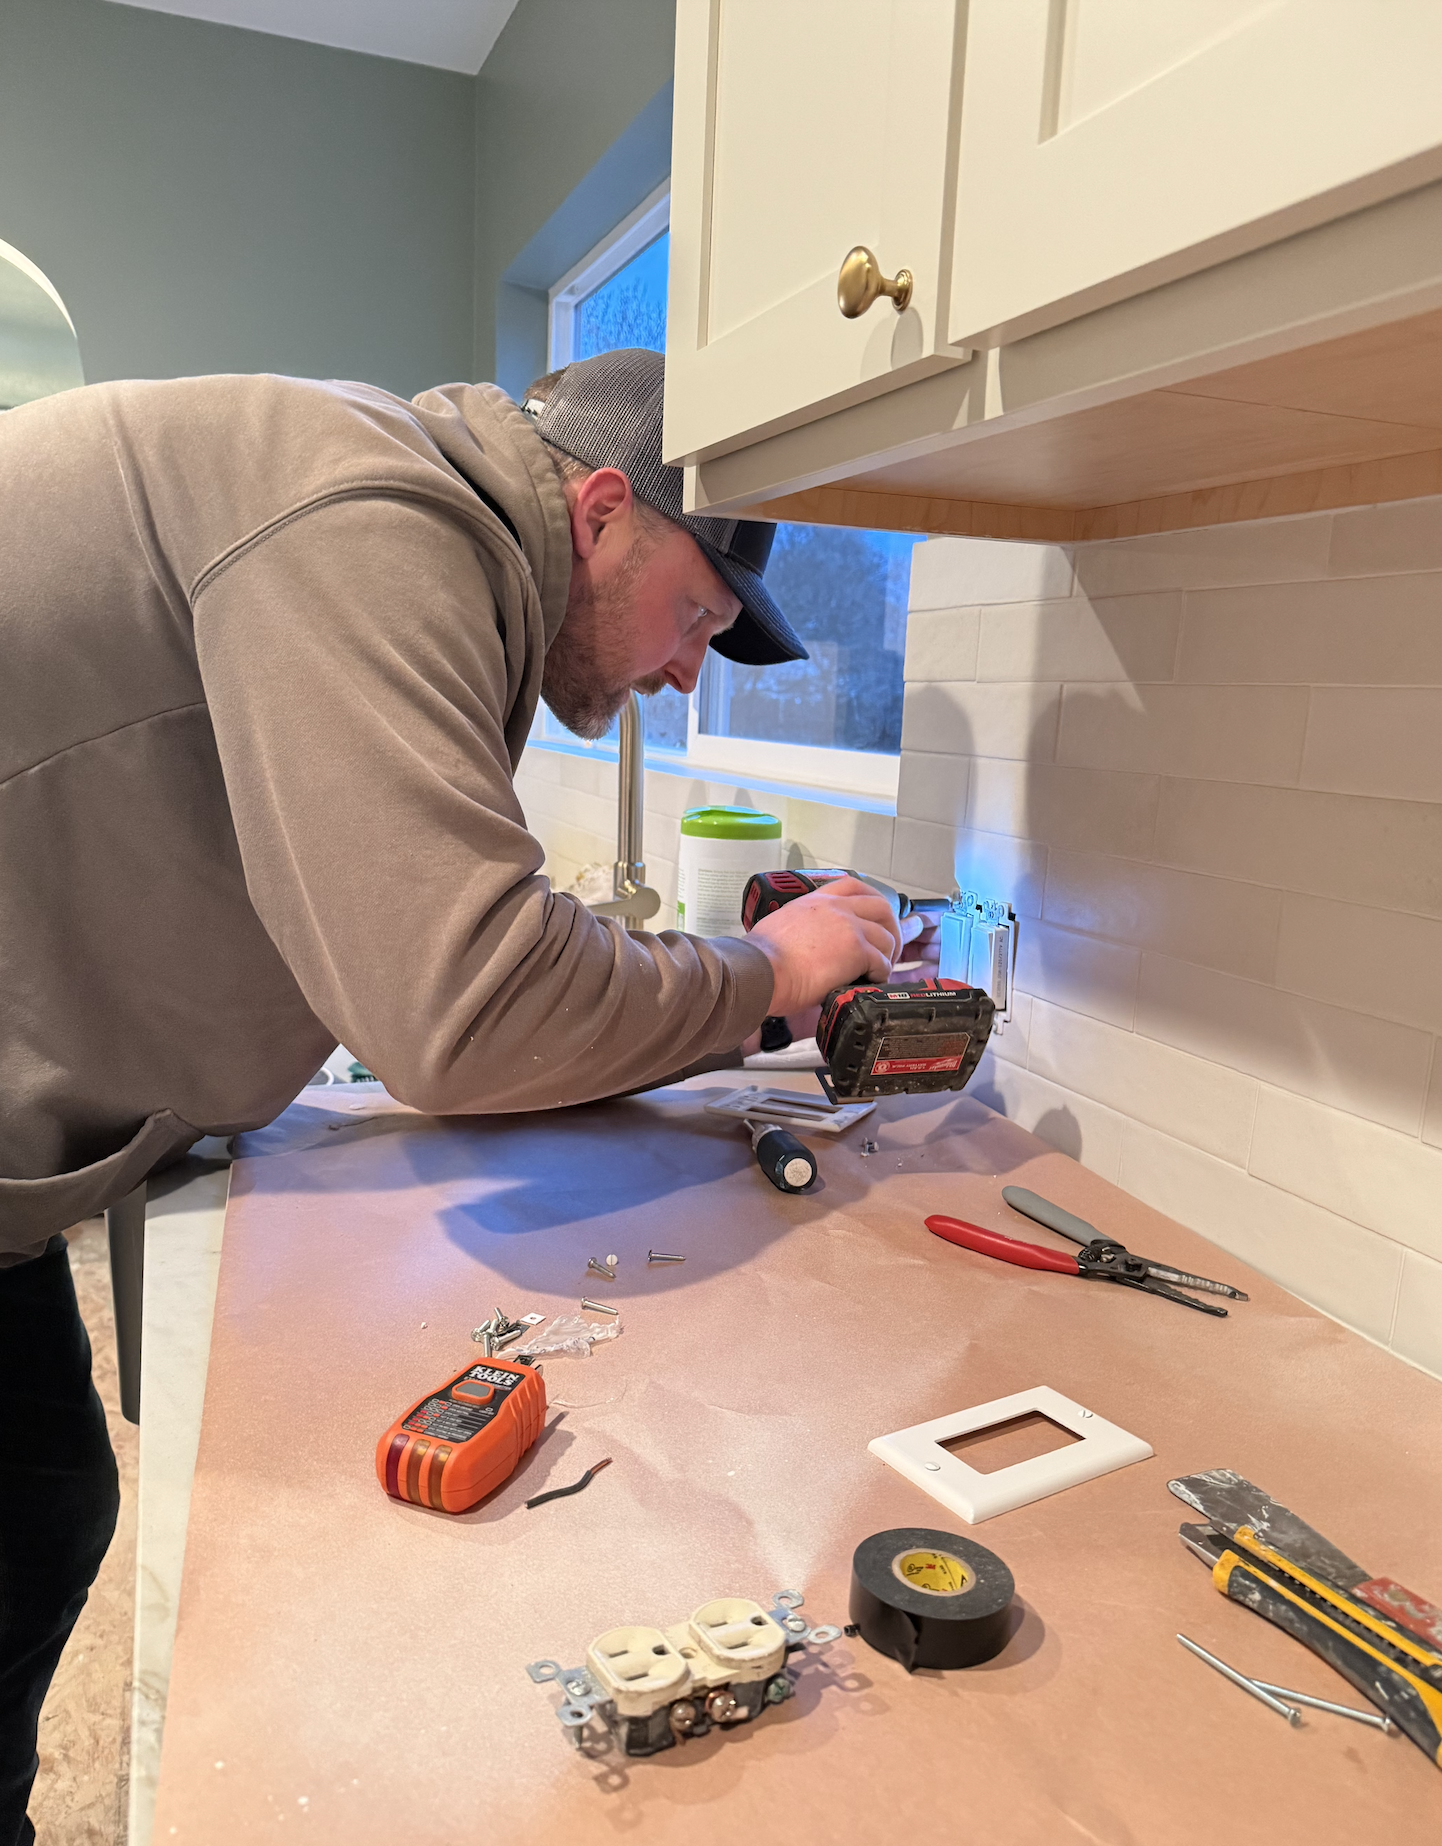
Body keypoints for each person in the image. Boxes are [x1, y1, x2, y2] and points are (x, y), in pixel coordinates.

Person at [0, 346, 917, 1843]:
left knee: (37, 1503)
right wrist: (763, 971)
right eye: (696, 611)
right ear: (604, 510)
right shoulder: (371, 516)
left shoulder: (402, 517)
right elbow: (464, 1002)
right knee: (29, 1514)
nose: (688, 670)